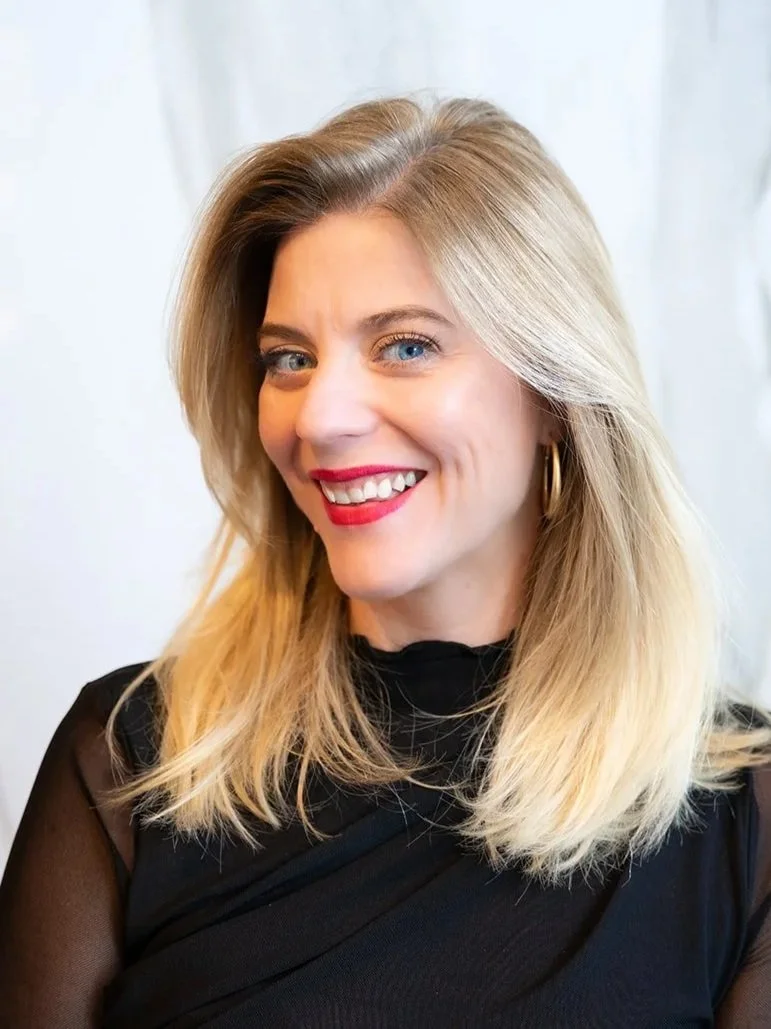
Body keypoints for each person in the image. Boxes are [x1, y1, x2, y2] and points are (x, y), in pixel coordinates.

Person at [1, 95, 770, 1028]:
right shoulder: (131, 763)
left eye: (405, 345)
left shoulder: (741, 816)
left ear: (554, 392)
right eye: (288, 359)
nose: (320, 417)